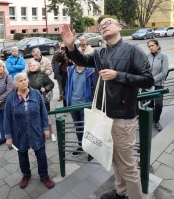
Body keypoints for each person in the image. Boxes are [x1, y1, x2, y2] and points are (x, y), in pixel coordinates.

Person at [61, 18, 154, 199]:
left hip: (123, 118)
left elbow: (148, 79)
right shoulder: (99, 53)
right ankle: (121, 192)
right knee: (114, 160)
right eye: (101, 25)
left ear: (119, 27)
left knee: (127, 166)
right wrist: (70, 47)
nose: (103, 26)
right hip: (105, 117)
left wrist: (118, 75)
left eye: (108, 23)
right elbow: (80, 59)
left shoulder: (133, 50)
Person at [3, 73, 55, 190]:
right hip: (19, 132)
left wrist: (46, 128)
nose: (24, 82)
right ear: (16, 83)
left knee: (41, 155)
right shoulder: (11, 99)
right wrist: (8, 136)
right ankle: (26, 175)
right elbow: (7, 119)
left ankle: (44, 176)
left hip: (36, 130)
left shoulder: (36, 94)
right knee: (22, 154)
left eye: (25, 79)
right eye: (20, 80)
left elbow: (43, 113)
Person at [64, 64, 96, 161]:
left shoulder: (90, 71)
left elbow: (94, 87)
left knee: (87, 128)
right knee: (78, 127)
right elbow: (67, 86)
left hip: (85, 105)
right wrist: (67, 99)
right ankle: (81, 145)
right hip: (73, 104)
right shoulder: (70, 70)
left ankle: (90, 150)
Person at [27, 60, 57, 142]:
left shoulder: (43, 75)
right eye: (31, 66)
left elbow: (51, 84)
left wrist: (45, 88)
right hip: (31, 100)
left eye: (34, 65)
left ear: (38, 66)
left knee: (46, 117)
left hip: (42, 100)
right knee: (34, 118)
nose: (32, 67)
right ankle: (40, 133)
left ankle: (52, 133)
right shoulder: (26, 76)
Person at [146, 39, 169, 132]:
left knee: (159, 104)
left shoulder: (163, 56)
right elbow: (145, 69)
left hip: (158, 85)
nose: (151, 47)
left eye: (152, 45)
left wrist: (153, 80)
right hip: (148, 85)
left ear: (157, 46)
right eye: (149, 46)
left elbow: (164, 72)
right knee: (149, 103)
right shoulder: (147, 56)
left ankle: (157, 121)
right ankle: (150, 120)